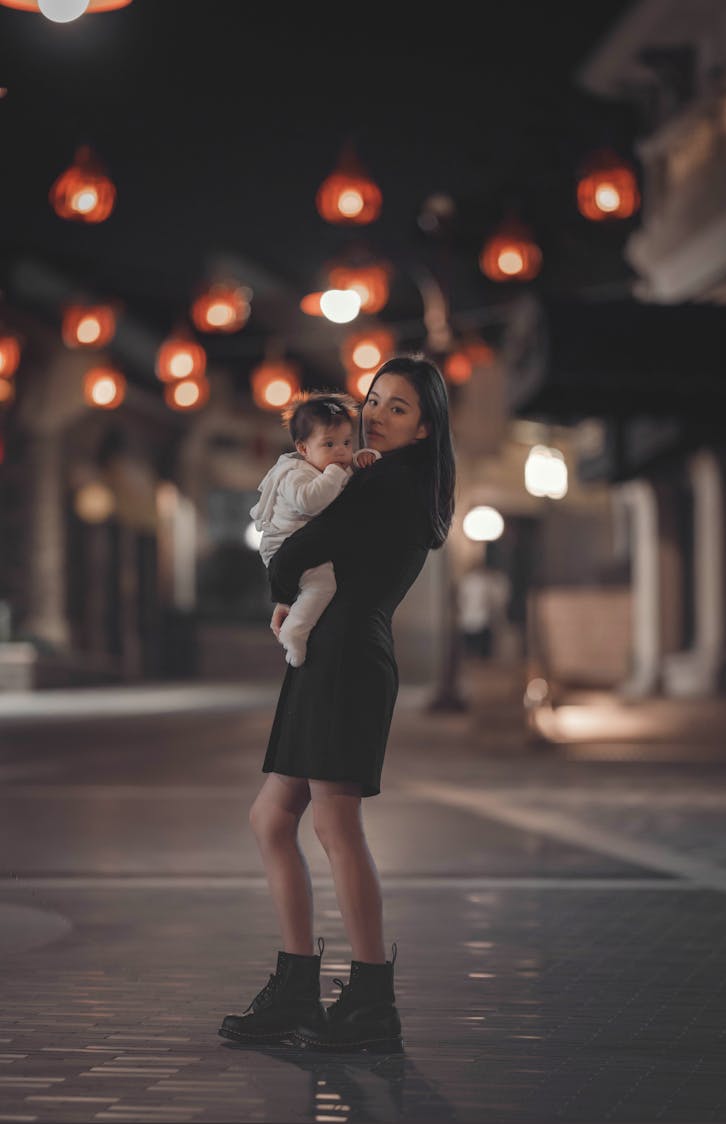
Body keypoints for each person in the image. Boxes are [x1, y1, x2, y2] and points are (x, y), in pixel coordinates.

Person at [219, 354, 456, 1052]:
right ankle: (298, 987)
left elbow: (298, 549)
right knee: (272, 818)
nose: (376, 413)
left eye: (398, 408)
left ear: (424, 429)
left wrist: (282, 585)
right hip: (331, 652)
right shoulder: (376, 478)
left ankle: (372, 1000)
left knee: (334, 828)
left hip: (348, 658)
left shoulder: (389, 487)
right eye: (375, 398)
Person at [249, 391, 380, 667]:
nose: (342, 451)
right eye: (329, 444)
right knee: (322, 585)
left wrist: (360, 460)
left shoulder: (323, 468)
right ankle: (295, 631)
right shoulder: (294, 475)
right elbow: (311, 502)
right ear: (304, 449)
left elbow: (340, 483)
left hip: (301, 546)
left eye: (347, 442)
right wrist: (337, 471)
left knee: (321, 583)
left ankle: (296, 622)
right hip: (282, 545)